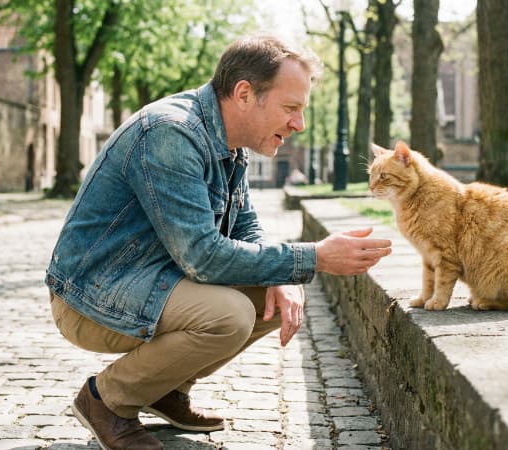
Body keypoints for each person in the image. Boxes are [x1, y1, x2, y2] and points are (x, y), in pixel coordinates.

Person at [45, 35, 392, 450]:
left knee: (273, 292)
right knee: (228, 317)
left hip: (153, 279)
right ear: (245, 94)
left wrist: (284, 274)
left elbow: (246, 226)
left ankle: (162, 389)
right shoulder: (171, 134)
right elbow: (203, 257)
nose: (299, 124)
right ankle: (106, 400)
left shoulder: (228, 140)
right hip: (92, 296)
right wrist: (313, 256)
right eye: (291, 108)